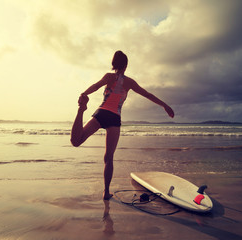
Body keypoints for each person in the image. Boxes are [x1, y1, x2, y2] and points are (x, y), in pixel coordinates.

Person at [70, 50, 174, 200]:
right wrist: (165, 105)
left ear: (113, 64)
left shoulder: (108, 76)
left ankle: (81, 111)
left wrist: (84, 94)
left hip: (101, 112)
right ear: (126, 65)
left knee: (76, 141)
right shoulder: (129, 82)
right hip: (114, 117)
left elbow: (96, 86)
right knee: (108, 157)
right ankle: (106, 192)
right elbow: (148, 94)